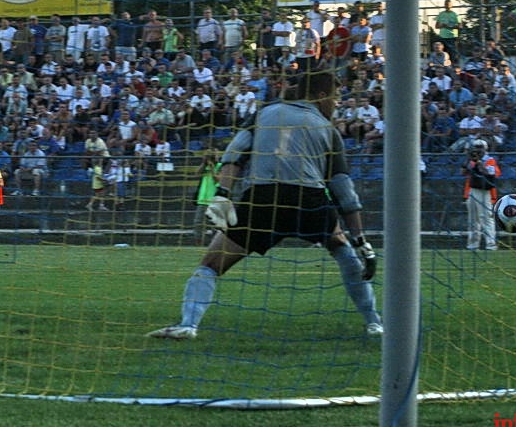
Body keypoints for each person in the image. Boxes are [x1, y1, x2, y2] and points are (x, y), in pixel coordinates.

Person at [146, 70, 383, 340]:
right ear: (320, 95)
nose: (336, 103)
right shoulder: (327, 129)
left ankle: (189, 325)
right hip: (308, 200)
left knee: (211, 264)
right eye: (335, 97)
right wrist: (361, 238)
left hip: (262, 199)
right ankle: (374, 322)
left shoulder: (264, 113)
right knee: (343, 250)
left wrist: (223, 195)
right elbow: (343, 190)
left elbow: (233, 156)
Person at [462, 139, 500, 251]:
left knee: (485, 217)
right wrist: (469, 161)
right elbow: (463, 172)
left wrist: (479, 163)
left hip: (484, 191)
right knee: (472, 219)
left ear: (485, 149)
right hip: (472, 190)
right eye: (475, 147)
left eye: (479, 147)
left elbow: (490, 173)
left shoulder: (490, 160)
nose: (477, 150)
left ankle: (490, 243)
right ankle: (473, 244)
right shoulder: (471, 159)